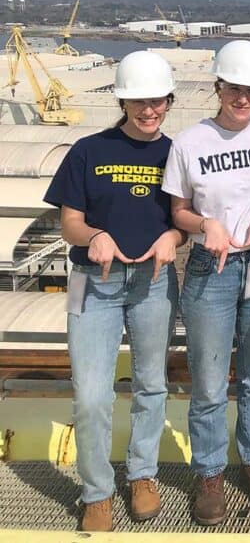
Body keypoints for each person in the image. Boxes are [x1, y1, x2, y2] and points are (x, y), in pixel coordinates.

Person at [44, 50, 183, 531]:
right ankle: (97, 492)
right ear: (123, 101)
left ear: (169, 101)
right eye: (139, 102)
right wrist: (94, 236)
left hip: (154, 282)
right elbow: (69, 223)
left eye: (159, 101)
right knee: (91, 394)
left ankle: (142, 474)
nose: (150, 111)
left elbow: (183, 219)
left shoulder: (176, 154)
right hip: (91, 281)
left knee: (151, 384)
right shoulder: (88, 150)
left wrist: (175, 236)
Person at [162, 40, 250, 525]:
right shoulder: (189, 143)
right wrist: (203, 225)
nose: (244, 100)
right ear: (218, 86)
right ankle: (211, 473)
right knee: (211, 382)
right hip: (209, 270)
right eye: (235, 89)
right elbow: (177, 210)